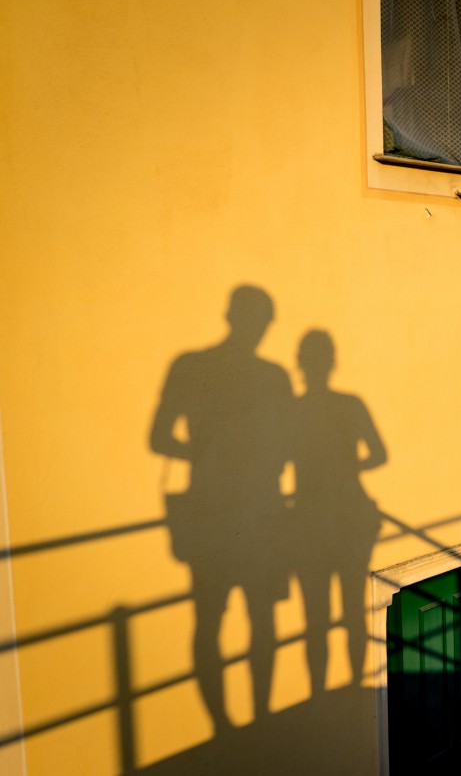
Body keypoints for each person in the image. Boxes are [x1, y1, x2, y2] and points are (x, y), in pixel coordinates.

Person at [149, 285, 294, 733]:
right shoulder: (207, 368)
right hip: (227, 511)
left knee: (242, 617)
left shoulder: (262, 375)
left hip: (246, 511)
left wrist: (210, 456)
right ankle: (236, 722)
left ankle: (248, 719)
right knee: (225, 618)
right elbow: (158, 436)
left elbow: (161, 437)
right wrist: (214, 456)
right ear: (239, 318)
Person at [292, 329, 386, 692]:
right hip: (346, 513)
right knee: (350, 610)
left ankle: (325, 689)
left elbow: (278, 462)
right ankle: (352, 684)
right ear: (332, 362)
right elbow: (378, 453)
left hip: (316, 518)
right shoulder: (349, 404)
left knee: (317, 615)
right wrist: (348, 468)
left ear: (300, 364)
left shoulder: (295, 410)